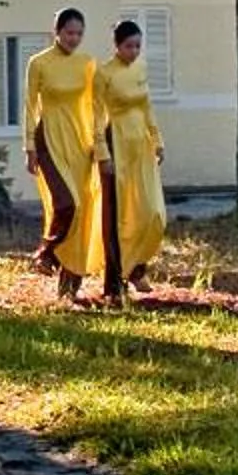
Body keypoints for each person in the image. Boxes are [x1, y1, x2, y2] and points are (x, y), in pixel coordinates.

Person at [23, 7, 98, 298]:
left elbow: (96, 106)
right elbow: (30, 107)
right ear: (57, 31)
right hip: (49, 140)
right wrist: (29, 147)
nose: (74, 38)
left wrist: (99, 144)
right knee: (67, 204)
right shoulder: (38, 63)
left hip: (80, 143)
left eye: (79, 33)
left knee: (84, 210)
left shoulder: (87, 64)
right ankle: (46, 252)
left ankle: (69, 286)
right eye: (69, 32)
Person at [91, 17, 167, 303]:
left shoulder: (141, 68)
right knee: (118, 214)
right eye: (128, 46)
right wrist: (102, 153)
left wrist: (157, 140)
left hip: (141, 144)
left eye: (138, 46)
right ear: (117, 46)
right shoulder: (104, 74)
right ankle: (115, 283)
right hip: (117, 141)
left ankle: (137, 266)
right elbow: (96, 115)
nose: (134, 51)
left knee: (153, 213)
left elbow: (147, 107)